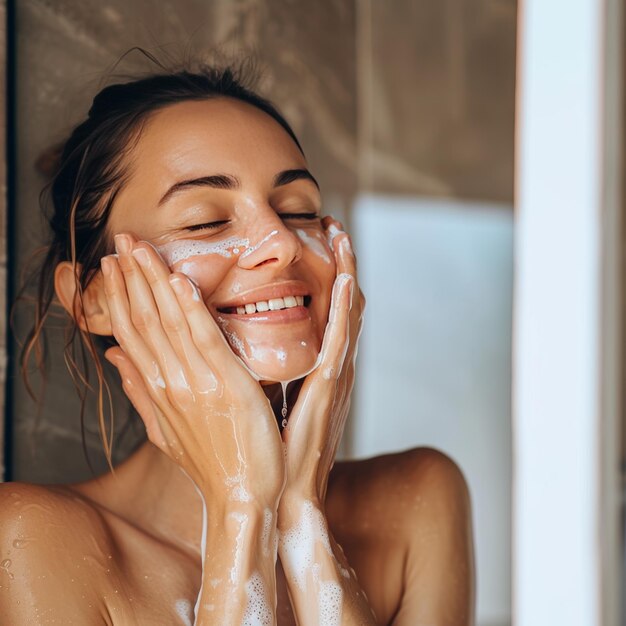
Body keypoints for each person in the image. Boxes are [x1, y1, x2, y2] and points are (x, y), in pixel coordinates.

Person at [0, 62, 475, 625]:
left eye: (299, 210)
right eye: (204, 222)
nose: (282, 242)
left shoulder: (416, 503)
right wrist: (240, 509)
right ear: (95, 298)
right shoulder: (32, 540)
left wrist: (302, 518)